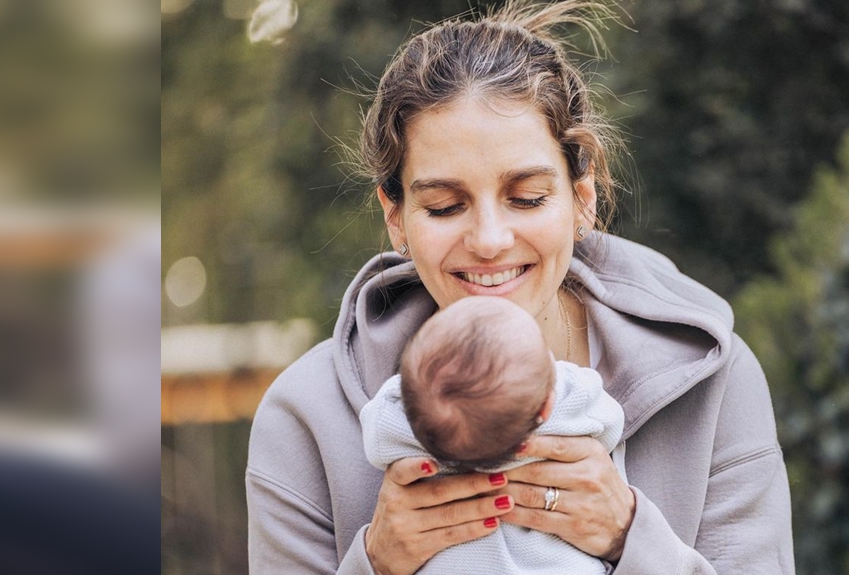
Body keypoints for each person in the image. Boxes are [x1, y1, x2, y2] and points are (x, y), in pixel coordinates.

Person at [246, 2, 795, 574]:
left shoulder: (710, 381)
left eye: (527, 198)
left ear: (582, 196)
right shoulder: (305, 418)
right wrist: (376, 564)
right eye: (444, 206)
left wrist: (626, 537)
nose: (488, 239)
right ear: (396, 216)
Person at [360, 295, 625, 574]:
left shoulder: (402, 427)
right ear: (547, 404)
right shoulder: (567, 407)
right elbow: (610, 426)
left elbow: (375, 427)